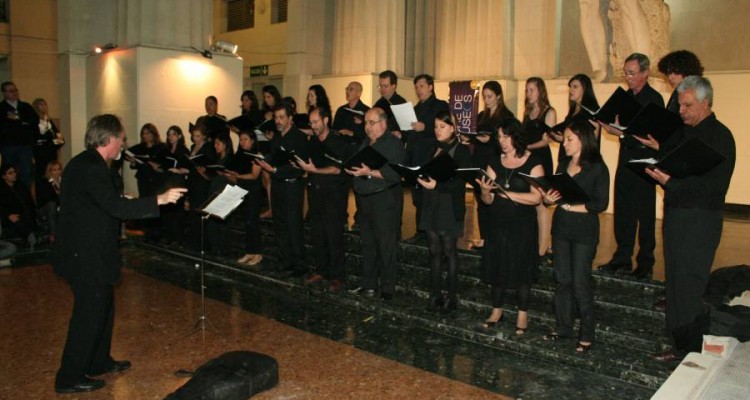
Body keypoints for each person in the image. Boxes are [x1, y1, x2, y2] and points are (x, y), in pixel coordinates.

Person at [54, 114, 185, 394]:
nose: (124, 144)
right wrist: (158, 200)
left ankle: (99, 360)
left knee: (104, 308)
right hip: (86, 255)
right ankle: (69, 376)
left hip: (90, 252)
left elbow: (101, 203)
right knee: (88, 316)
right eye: (122, 139)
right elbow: (116, 208)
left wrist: (124, 201)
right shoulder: (91, 167)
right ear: (110, 139)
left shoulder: (88, 163)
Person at [643, 76, 735, 361]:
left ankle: (689, 348)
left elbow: (713, 187)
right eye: (680, 104)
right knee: (674, 282)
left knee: (690, 285)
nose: (681, 110)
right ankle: (677, 341)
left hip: (700, 221)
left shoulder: (720, 137)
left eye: (687, 105)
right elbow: (675, 165)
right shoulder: (684, 133)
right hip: (676, 216)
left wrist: (671, 182)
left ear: (705, 103)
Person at [541, 120, 610, 353]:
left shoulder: (597, 167)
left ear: (583, 140)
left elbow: (600, 203)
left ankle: (587, 333)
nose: (565, 143)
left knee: (580, 282)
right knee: (562, 280)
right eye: (565, 139)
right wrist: (549, 199)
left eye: (570, 139)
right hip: (561, 228)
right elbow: (554, 195)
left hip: (583, 231)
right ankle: (564, 326)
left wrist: (571, 206)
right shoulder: (562, 164)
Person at [598, 53, 663, 279]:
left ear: (645, 73)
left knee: (645, 213)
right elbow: (618, 128)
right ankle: (622, 257)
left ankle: (645, 262)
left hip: (644, 160)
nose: (628, 77)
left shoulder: (654, 99)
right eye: (626, 73)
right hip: (625, 158)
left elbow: (653, 133)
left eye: (632, 73)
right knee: (623, 209)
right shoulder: (625, 96)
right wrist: (609, 126)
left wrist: (625, 132)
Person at [476, 118, 543, 335]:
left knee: (522, 269)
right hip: (498, 224)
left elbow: (536, 198)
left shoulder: (533, 162)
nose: (502, 141)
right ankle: (496, 311)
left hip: (522, 226)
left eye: (506, 136)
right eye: (499, 137)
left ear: (516, 136)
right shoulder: (495, 161)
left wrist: (506, 194)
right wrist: (486, 193)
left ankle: (522, 315)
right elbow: (488, 201)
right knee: (497, 267)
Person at [346, 108, 406, 301]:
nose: (367, 127)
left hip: (384, 200)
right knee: (368, 243)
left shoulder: (393, 143)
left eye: (372, 123)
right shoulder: (366, 142)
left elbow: (396, 173)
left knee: (386, 245)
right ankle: (368, 284)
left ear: (383, 123)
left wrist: (369, 173)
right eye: (365, 123)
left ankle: (388, 287)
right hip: (365, 200)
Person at [418, 110, 471, 313]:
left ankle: (452, 295)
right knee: (433, 251)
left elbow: (460, 182)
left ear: (453, 127)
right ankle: (435, 293)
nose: (438, 130)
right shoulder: (433, 147)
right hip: (431, 203)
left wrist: (436, 186)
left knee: (449, 251)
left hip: (449, 204)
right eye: (435, 126)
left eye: (442, 126)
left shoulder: (462, 150)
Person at [295, 107, 350, 292]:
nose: (313, 126)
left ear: (326, 121)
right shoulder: (313, 142)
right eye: (311, 123)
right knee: (317, 233)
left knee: (333, 236)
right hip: (316, 192)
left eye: (316, 122)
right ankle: (321, 270)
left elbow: (336, 169)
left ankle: (338, 276)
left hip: (333, 195)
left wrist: (314, 170)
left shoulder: (337, 141)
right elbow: (310, 163)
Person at [255, 102, 310, 278]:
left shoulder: (298, 137)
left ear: (290, 118)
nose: (277, 121)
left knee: (293, 225)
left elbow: (300, 167)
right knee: (280, 224)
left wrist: (276, 169)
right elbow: (275, 158)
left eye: (281, 117)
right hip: (278, 184)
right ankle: (285, 261)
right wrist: (265, 161)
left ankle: (299, 264)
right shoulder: (277, 138)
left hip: (292, 185)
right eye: (276, 117)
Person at [403, 74, 450, 245]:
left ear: (431, 87)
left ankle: (431, 233)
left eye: (422, 86)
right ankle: (420, 231)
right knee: (417, 198)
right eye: (416, 87)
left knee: (429, 198)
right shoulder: (415, 108)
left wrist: (426, 127)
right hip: (415, 157)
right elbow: (411, 136)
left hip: (429, 158)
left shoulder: (440, 105)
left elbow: (446, 129)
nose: (418, 90)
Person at [469, 81, 515, 251]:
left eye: (489, 96)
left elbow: (511, 139)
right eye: (484, 97)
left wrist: (492, 140)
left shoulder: (506, 116)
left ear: (498, 96)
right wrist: (470, 138)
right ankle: (484, 238)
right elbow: (474, 134)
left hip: (496, 161)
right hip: (480, 160)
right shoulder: (481, 116)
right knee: (481, 201)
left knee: (495, 202)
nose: (486, 100)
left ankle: (495, 239)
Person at [522, 77, 556, 257]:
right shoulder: (527, 113)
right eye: (527, 90)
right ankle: (537, 243)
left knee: (542, 203)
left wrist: (527, 147)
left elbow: (546, 140)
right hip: (528, 159)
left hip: (541, 158)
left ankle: (543, 248)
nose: (528, 94)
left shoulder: (549, 112)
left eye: (532, 90)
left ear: (540, 91)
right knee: (532, 203)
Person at [224, 130, 264, 267]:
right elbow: (231, 169)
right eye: (241, 139)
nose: (242, 142)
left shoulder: (257, 155)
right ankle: (249, 251)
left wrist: (237, 176)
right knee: (247, 222)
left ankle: (257, 253)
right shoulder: (239, 154)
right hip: (241, 190)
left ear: (252, 140)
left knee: (253, 222)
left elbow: (254, 175)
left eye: (245, 139)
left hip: (254, 191)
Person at [0, 82, 39, 186]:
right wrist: (18, 123)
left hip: (25, 145)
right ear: (4, 93)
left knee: (26, 172)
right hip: (8, 145)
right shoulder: (1, 108)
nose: (14, 93)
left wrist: (18, 121)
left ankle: (25, 195)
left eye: (15, 90)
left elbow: (34, 122)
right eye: (11, 91)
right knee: (9, 171)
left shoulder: (25, 107)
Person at [157, 125, 190, 244]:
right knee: (166, 210)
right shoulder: (165, 150)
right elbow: (162, 165)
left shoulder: (184, 151)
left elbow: (188, 168)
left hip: (178, 180)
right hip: (166, 180)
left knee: (177, 210)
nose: (171, 137)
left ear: (180, 136)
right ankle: (168, 235)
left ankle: (178, 237)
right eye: (169, 134)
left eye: (173, 134)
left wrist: (179, 170)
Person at [186, 124, 216, 247]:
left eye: (198, 136)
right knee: (193, 211)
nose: (195, 138)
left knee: (201, 211)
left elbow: (210, 164)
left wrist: (203, 169)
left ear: (204, 136)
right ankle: (194, 240)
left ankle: (203, 242)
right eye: (193, 136)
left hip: (203, 182)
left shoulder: (209, 147)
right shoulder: (193, 146)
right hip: (193, 180)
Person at [206, 133, 234, 256]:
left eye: (218, 144)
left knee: (223, 224)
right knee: (212, 223)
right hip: (214, 190)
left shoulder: (230, 160)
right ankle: (214, 248)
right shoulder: (216, 159)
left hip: (225, 192)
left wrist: (224, 174)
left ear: (225, 144)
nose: (215, 146)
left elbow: (234, 178)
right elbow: (212, 177)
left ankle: (223, 250)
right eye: (214, 144)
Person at [0, 164, 37, 247]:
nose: (14, 174)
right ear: (4, 176)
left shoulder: (20, 186)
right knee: (19, 222)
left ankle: (31, 236)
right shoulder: (2, 190)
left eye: (14, 172)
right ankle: (30, 236)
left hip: (23, 214)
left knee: (27, 217)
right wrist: (8, 215)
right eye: (10, 173)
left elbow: (29, 202)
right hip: (9, 216)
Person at [31, 98, 64, 179]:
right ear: (36, 107)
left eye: (45, 104)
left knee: (52, 169)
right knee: (42, 171)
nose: (44, 106)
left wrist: (59, 140)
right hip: (40, 150)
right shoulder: (34, 120)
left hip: (51, 149)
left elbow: (56, 133)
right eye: (41, 104)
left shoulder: (49, 120)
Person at [373, 70, 408, 139]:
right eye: (380, 86)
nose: (382, 89)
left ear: (393, 86)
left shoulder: (401, 103)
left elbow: (408, 128)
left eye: (385, 86)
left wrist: (400, 134)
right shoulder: (379, 103)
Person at [34, 160, 63, 239]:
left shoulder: (64, 181)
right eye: (54, 170)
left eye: (59, 169)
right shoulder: (44, 182)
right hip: (46, 207)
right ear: (49, 171)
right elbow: (47, 198)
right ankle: (52, 234)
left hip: (60, 205)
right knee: (52, 205)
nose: (57, 172)